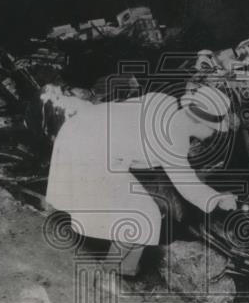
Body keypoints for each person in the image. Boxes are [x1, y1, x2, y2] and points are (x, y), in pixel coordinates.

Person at [46, 85, 238, 277]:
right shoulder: (173, 136)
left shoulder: (166, 102)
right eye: (213, 128)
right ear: (199, 121)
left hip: (81, 128)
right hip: (90, 149)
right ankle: (108, 272)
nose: (215, 134)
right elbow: (186, 183)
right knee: (141, 214)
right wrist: (218, 199)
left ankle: (126, 269)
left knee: (146, 212)